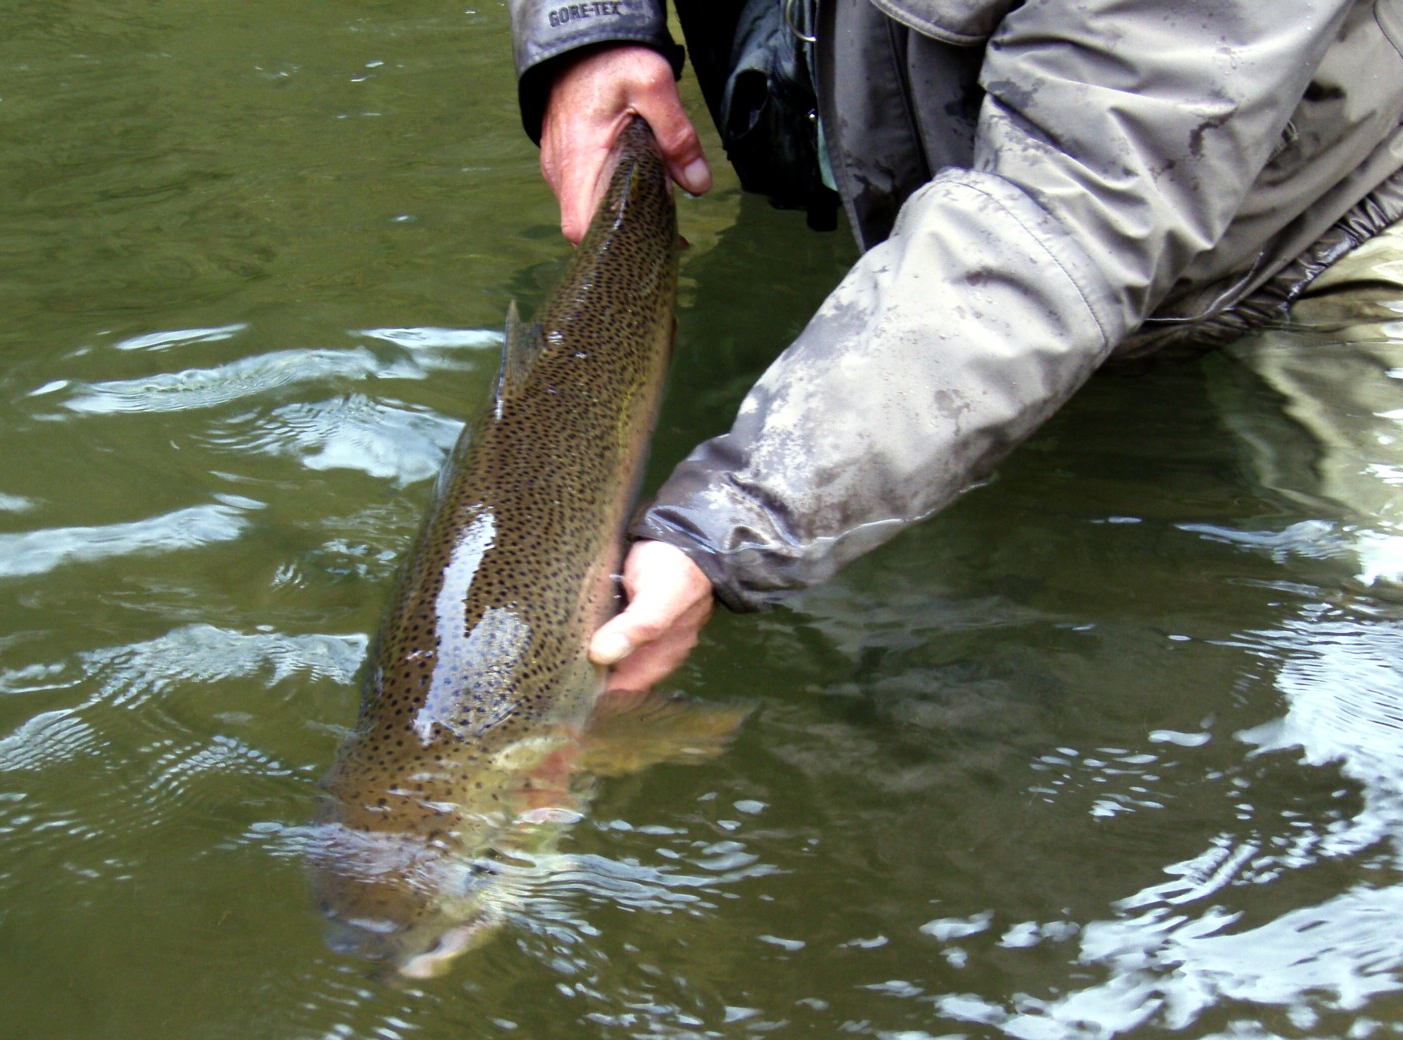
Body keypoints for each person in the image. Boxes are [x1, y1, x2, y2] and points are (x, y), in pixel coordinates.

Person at [508, 0, 1403, 692]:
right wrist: (590, 33)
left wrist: (722, 528)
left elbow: (1061, 219)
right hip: (943, 205)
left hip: (1318, 232)